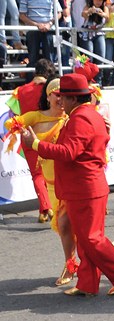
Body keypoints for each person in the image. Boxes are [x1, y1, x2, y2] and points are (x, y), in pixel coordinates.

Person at [21, 73, 114, 297]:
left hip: (85, 188)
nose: (59, 101)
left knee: (91, 238)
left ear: (73, 98)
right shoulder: (87, 114)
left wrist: (35, 144)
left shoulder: (80, 118)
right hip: (86, 187)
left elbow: (68, 152)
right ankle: (87, 283)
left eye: (62, 96)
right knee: (85, 239)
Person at [4, 77, 75, 286]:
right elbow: (11, 122)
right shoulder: (36, 116)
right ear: (48, 96)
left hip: (71, 181)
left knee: (72, 225)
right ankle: (72, 263)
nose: (61, 99)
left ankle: (83, 263)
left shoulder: (71, 118)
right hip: (52, 185)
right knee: (64, 227)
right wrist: (21, 130)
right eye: (57, 94)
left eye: (64, 95)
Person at [5, 58, 56, 223]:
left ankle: (44, 209)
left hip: (27, 134)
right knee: (49, 172)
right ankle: (47, 207)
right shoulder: (50, 89)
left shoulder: (20, 90)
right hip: (49, 133)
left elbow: (14, 114)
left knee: (37, 173)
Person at [19, 0, 57, 75]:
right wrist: (36, 25)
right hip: (32, 30)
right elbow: (21, 16)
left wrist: (49, 24)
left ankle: (50, 80)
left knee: (49, 59)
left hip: (48, 30)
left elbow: (59, 13)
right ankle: (32, 80)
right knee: (32, 59)